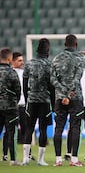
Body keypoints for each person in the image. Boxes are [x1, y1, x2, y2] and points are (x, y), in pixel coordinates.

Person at [50, 34, 85, 167]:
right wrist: (69, 95)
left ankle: (58, 159)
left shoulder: (56, 58)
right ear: (76, 44)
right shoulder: (80, 58)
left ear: (65, 44)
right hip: (75, 97)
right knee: (75, 127)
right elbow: (77, 78)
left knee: (59, 127)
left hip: (60, 98)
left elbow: (53, 79)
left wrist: (63, 94)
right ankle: (74, 160)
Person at [22, 38, 54, 166]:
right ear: (47, 50)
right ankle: (41, 160)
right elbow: (52, 86)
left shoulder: (29, 64)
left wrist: (27, 98)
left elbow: (24, 84)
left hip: (31, 100)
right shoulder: (49, 65)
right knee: (43, 129)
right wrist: (53, 102)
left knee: (29, 128)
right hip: (44, 102)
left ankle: (25, 159)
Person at [0, 48, 22, 166]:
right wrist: (15, 101)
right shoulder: (11, 72)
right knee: (11, 132)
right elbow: (18, 90)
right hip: (10, 107)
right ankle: (13, 160)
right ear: (9, 59)